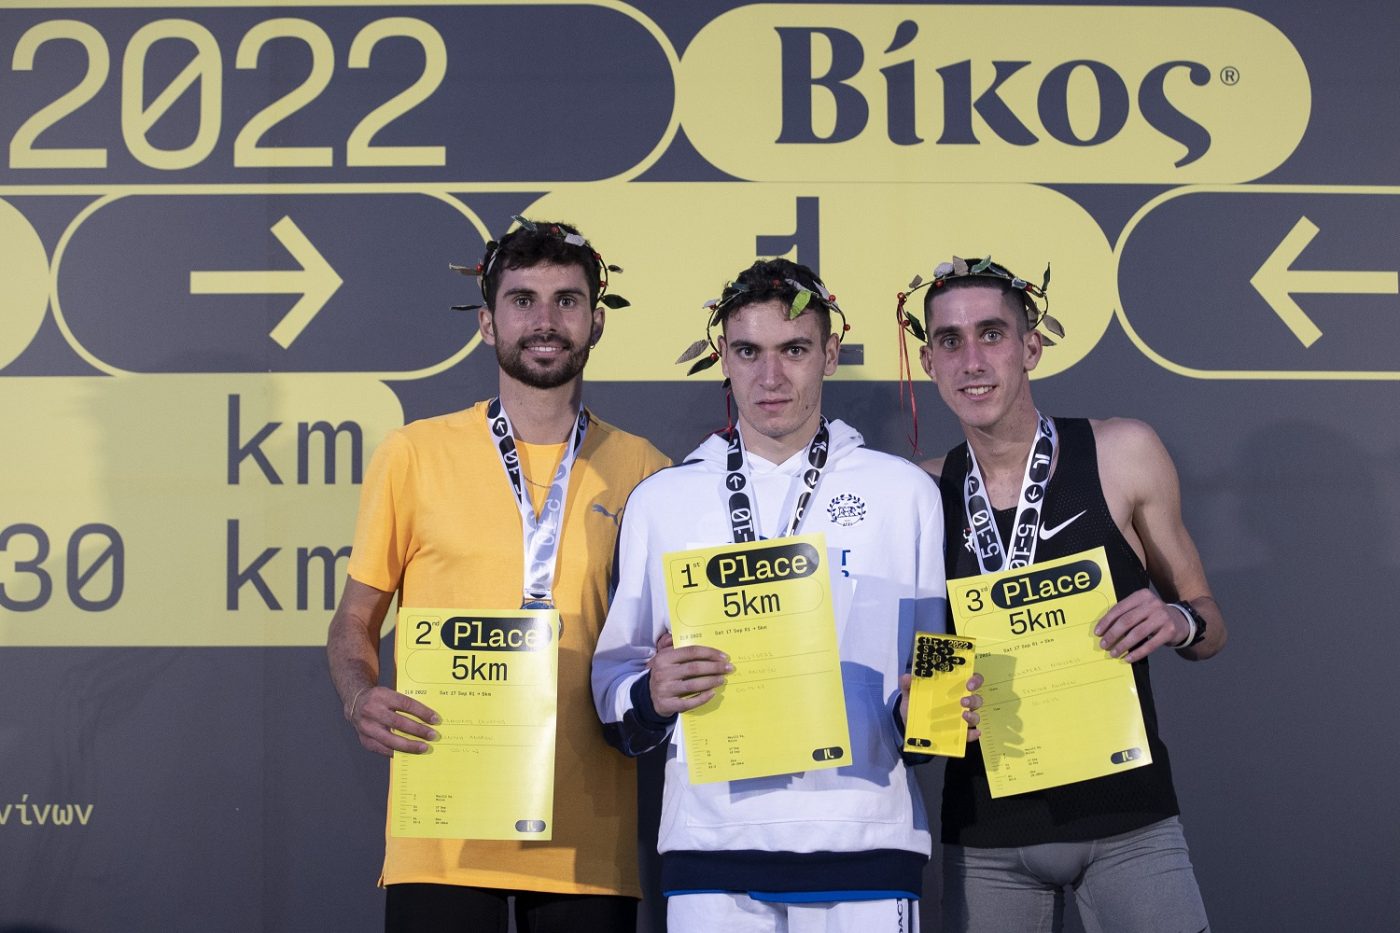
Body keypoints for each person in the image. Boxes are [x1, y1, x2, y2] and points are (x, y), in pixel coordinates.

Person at [592, 258, 981, 933]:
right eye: (749, 351)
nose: (770, 377)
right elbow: (612, 687)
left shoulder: (905, 492)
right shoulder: (662, 499)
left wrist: (931, 710)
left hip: (865, 841)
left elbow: (937, 675)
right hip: (709, 848)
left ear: (829, 353)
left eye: (794, 350)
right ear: (723, 356)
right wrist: (651, 693)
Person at [326, 218, 669, 933]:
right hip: (441, 830)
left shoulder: (647, 469)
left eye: (567, 301)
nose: (545, 321)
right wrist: (360, 696)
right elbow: (355, 619)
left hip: (587, 839)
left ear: (597, 321)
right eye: (522, 300)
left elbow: (661, 639)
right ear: (487, 323)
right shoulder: (412, 453)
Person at [908, 255, 1227, 932]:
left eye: (991, 334)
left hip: (1129, 821)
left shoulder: (1121, 451)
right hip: (986, 834)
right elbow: (931, 661)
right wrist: (929, 713)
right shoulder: (918, 492)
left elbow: (1208, 622)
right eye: (949, 341)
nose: (972, 361)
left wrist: (1177, 620)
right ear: (929, 362)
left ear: (1031, 347)